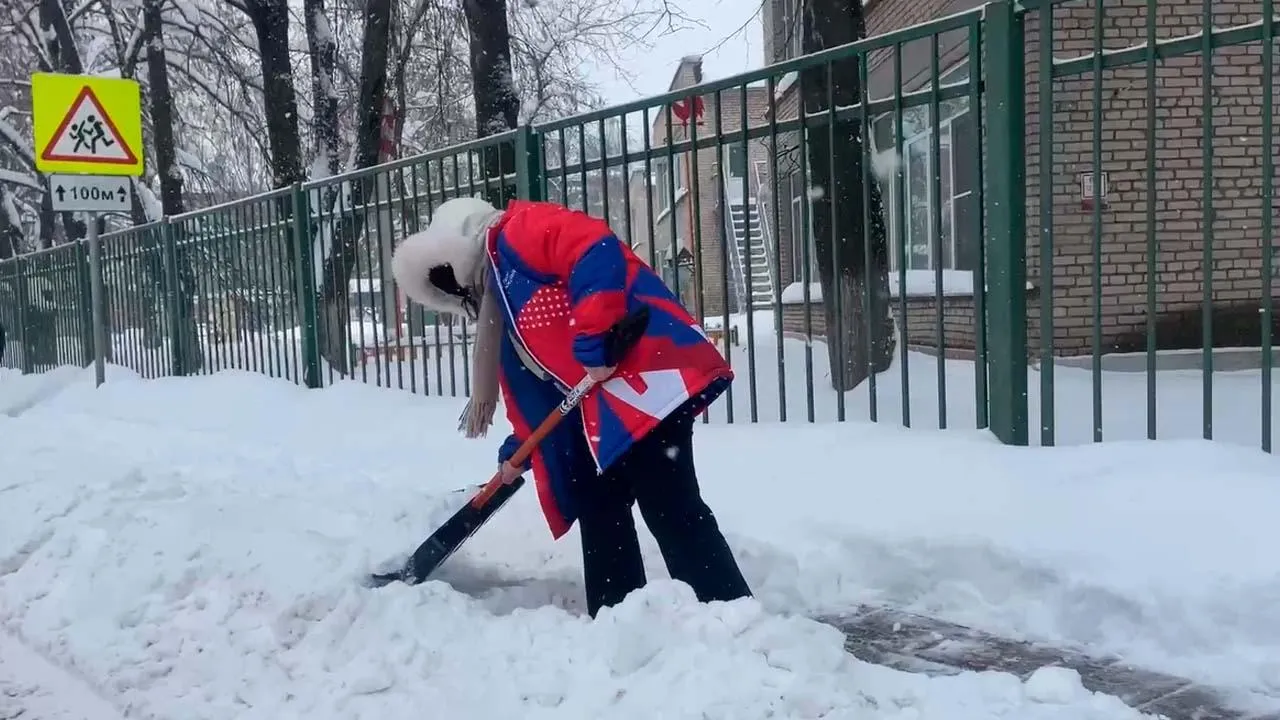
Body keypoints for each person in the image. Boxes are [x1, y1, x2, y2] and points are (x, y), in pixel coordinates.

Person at [391, 196, 751, 617]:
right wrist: (520, 449)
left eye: (449, 278)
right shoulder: (501, 298)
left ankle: (730, 616)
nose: (458, 292)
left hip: (649, 379)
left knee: (668, 505)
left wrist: (594, 336)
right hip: (607, 409)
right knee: (597, 503)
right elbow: (539, 386)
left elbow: (593, 248)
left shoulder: (519, 231)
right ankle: (616, 617)